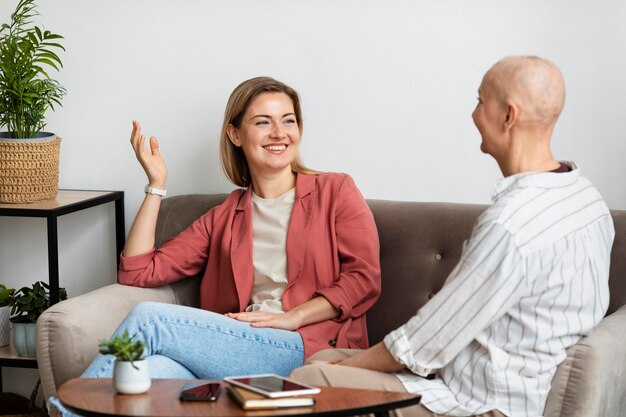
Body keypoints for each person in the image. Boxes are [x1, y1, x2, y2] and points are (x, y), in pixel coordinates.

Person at [290, 56, 615, 417]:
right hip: (496, 378)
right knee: (322, 358)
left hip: (480, 401)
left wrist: (344, 371)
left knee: (310, 379)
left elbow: (424, 343)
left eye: (479, 101)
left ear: (508, 116)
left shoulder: (511, 224)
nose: (474, 114)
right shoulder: (586, 198)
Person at [51, 77, 380, 412]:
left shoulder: (335, 191)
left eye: (288, 120)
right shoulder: (225, 216)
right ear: (235, 134)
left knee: (149, 319)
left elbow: (363, 280)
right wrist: (156, 186)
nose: (280, 133)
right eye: (263, 122)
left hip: (306, 347)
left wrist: (292, 317)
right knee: (147, 374)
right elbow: (136, 271)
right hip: (237, 350)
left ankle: (65, 412)